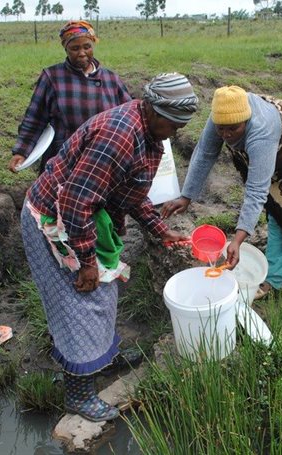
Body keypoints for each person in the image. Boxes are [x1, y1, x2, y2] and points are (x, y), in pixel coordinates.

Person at [20, 73, 199, 421]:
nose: (176, 132)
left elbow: (130, 190)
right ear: (151, 108)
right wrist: (87, 261)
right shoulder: (118, 136)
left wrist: (160, 230)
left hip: (84, 216)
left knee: (103, 295)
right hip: (55, 221)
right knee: (80, 306)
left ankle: (102, 356)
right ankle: (78, 395)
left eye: (182, 125)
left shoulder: (148, 130)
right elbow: (75, 201)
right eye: (174, 123)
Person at [161, 86, 282, 309]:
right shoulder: (222, 115)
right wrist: (186, 196)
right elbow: (205, 153)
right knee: (279, 215)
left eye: (233, 129)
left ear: (246, 119)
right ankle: (274, 279)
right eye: (221, 129)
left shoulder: (261, 133)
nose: (226, 134)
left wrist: (239, 238)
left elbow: (256, 190)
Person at [8, 20, 132, 174]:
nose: (82, 53)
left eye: (87, 47)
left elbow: (131, 118)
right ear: (65, 48)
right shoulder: (52, 77)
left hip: (103, 157)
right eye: (75, 48)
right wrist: (21, 151)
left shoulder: (111, 79)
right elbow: (35, 117)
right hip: (62, 157)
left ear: (93, 45)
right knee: (60, 196)